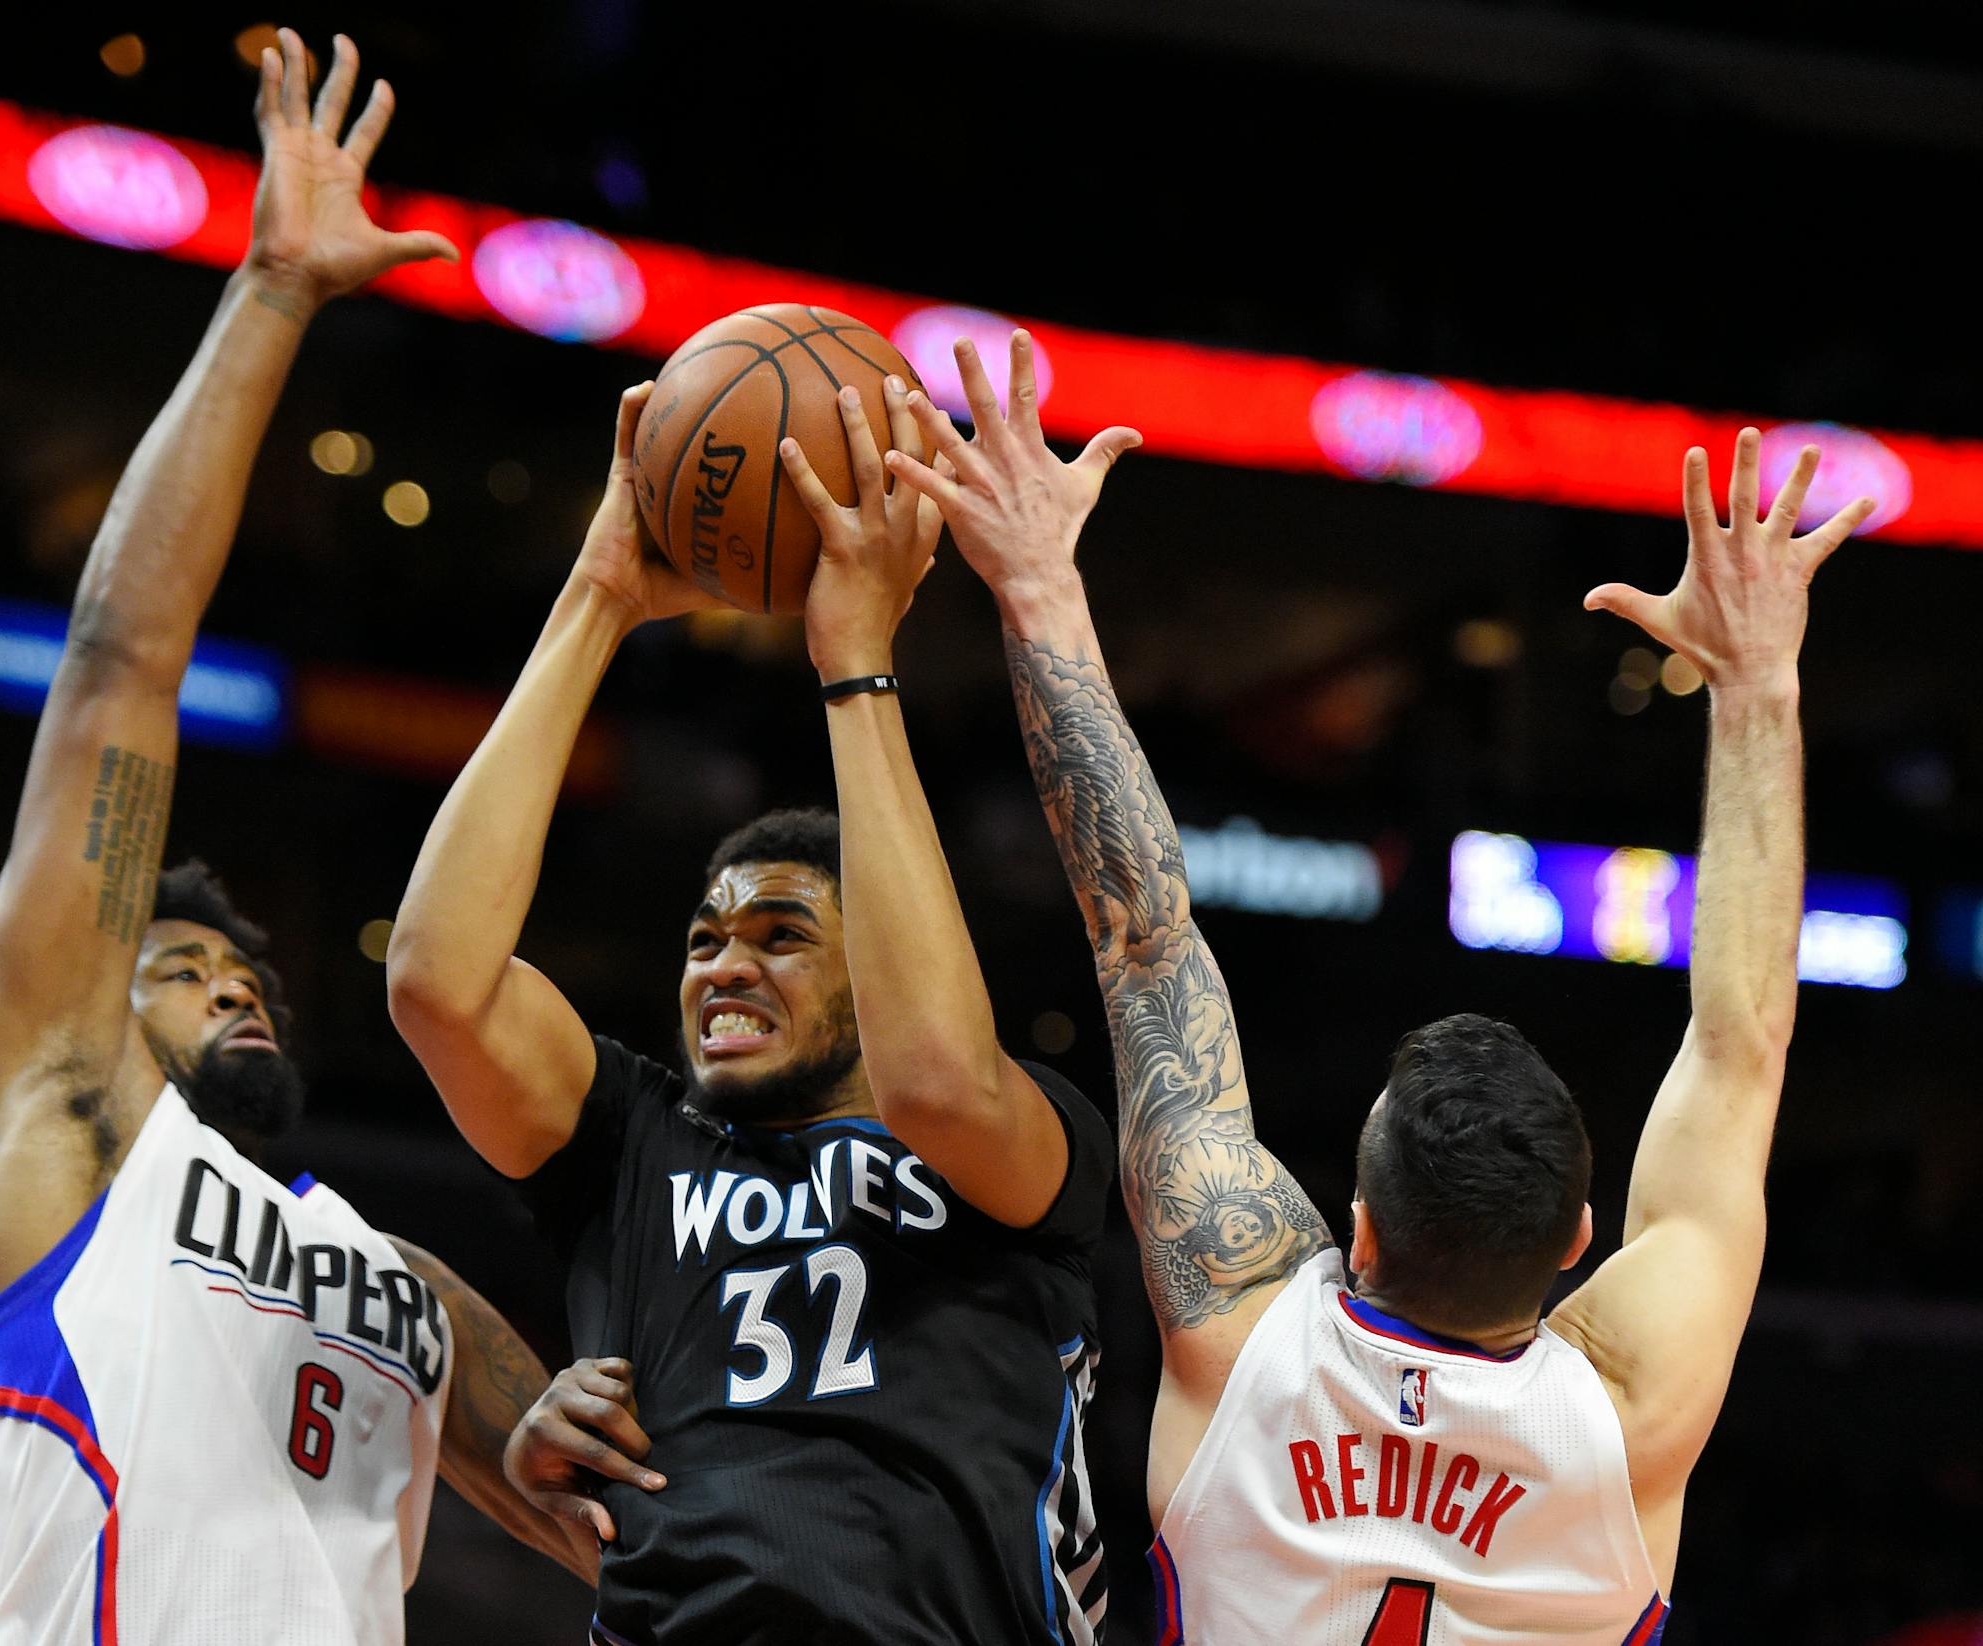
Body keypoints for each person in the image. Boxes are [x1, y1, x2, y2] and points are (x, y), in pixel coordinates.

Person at [892, 331, 1873, 1643]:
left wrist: (1034, 586)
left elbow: (1145, 940)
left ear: (1355, 1228)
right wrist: (1761, 683)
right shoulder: (1631, 1411)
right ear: (1577, 1239)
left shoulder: (1239, 1337)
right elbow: (1743, 1039)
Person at [0, 32, 601, 1643]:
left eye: (248, 972)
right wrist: (275, 292)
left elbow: (607, 1507)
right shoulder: (69, 1114)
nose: (239, 991)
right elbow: (119, 662)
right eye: (178, 966)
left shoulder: (378, 1277)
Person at [387, 374, 1116, 1644]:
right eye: (704, 938)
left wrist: (857, 662)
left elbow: (936, 1075)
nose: (723, 964)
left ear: (874, 962)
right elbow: (436, 984)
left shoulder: (1023, 1150)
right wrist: (600, 595)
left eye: (782, 936)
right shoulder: (635, 1143)